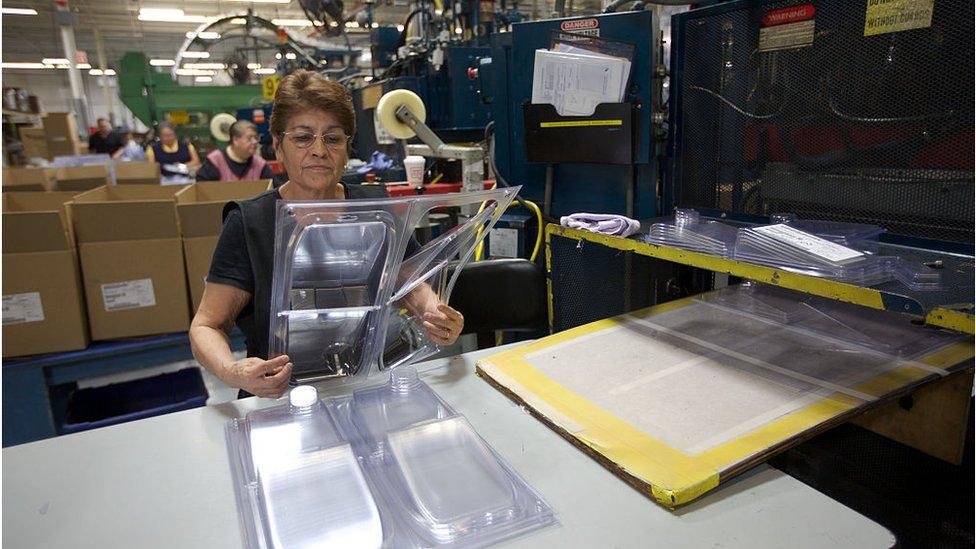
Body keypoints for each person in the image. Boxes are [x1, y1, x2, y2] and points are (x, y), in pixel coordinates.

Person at [189, 70, 464, 399]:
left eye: (332, 138)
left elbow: (412, 286)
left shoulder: (376, 211)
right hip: (277, 397)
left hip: (370, 386)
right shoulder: (251, 222)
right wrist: (233, 372)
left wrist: (436, 315)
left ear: (347, 148)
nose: (319, 150)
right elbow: (206, 325)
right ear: (278, 147)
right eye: (303, 137)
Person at [196, 120, 275, 182]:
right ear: (235, 140)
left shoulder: (260, 164)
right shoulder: (215, 161)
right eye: (249, 138)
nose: (254, 142)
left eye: (256, 138)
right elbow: (202, 189)